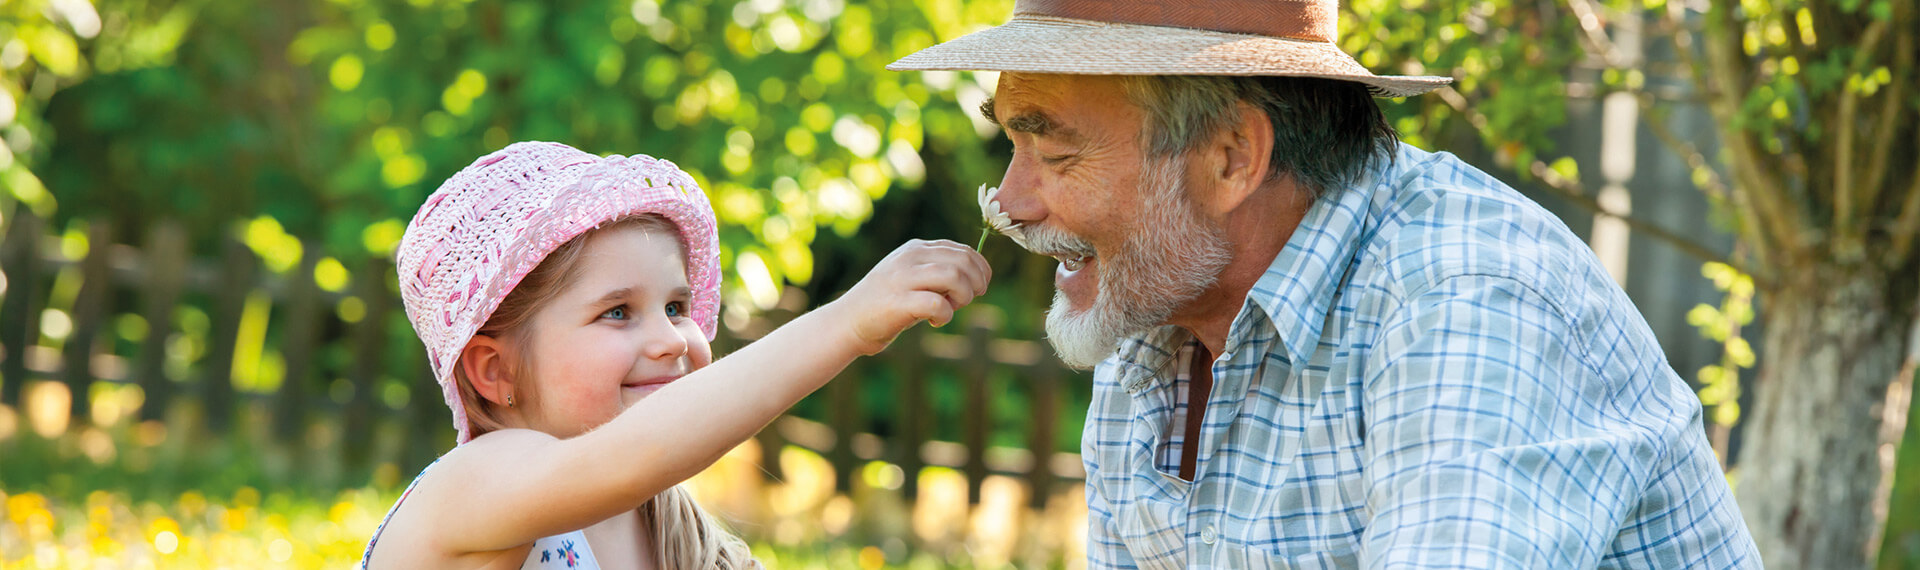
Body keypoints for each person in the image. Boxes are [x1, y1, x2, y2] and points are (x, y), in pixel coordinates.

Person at [891, 0, 1761, 567]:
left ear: (1232, 157)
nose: (1010, 201)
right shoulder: (1157, 310)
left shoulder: (1466, 300)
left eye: (1052, 147)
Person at [358, 141, 990, 569]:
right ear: (495, 371)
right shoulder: (470, 489)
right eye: (616, 312)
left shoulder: (662, 526)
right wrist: (849, 323)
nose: (670, 339)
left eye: (677, 308)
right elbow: (633, 456)